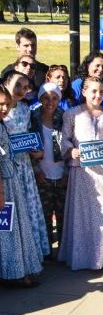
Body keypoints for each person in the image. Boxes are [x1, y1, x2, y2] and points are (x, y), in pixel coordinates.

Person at [59, 77, 103, 270]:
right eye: (93, 91)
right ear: (84, 92)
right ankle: (82, 256)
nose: (97, 95)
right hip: (82, 170)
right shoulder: (72, 114)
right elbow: (64, 138)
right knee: (83, 214)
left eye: (101, 92)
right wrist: (71, 150)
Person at [2, 73, 50, 260]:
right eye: (17, 85)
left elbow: (29, 137)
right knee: (11, 213)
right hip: (7, 169)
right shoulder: (2, 111)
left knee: (28, 210)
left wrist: (35, 151)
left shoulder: (25, 109)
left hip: (25, 168)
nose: (22, 90)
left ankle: (31, 256)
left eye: (25, 87)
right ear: (6, 84)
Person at [0, 86, 44, 287]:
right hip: (4, 183)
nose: (4, 108)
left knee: (13, 228)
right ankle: (12, 273)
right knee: (7, 229)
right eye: (0, 104)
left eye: (6, 104)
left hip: (12, 179)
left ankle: (16, 271)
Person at [30, 83, 67, 260]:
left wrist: (66, 173)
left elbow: (70, 145)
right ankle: (45, 252)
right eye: (45, 97)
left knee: (62, 215)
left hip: (61, 173)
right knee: (44, 215)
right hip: (41, 173)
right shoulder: (33, 117)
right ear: (39, 98)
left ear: (59, 99)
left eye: (54, 98)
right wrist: (37, 171)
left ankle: (62, 251)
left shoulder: (65, 117)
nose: (49, 102)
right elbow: (27, 146)